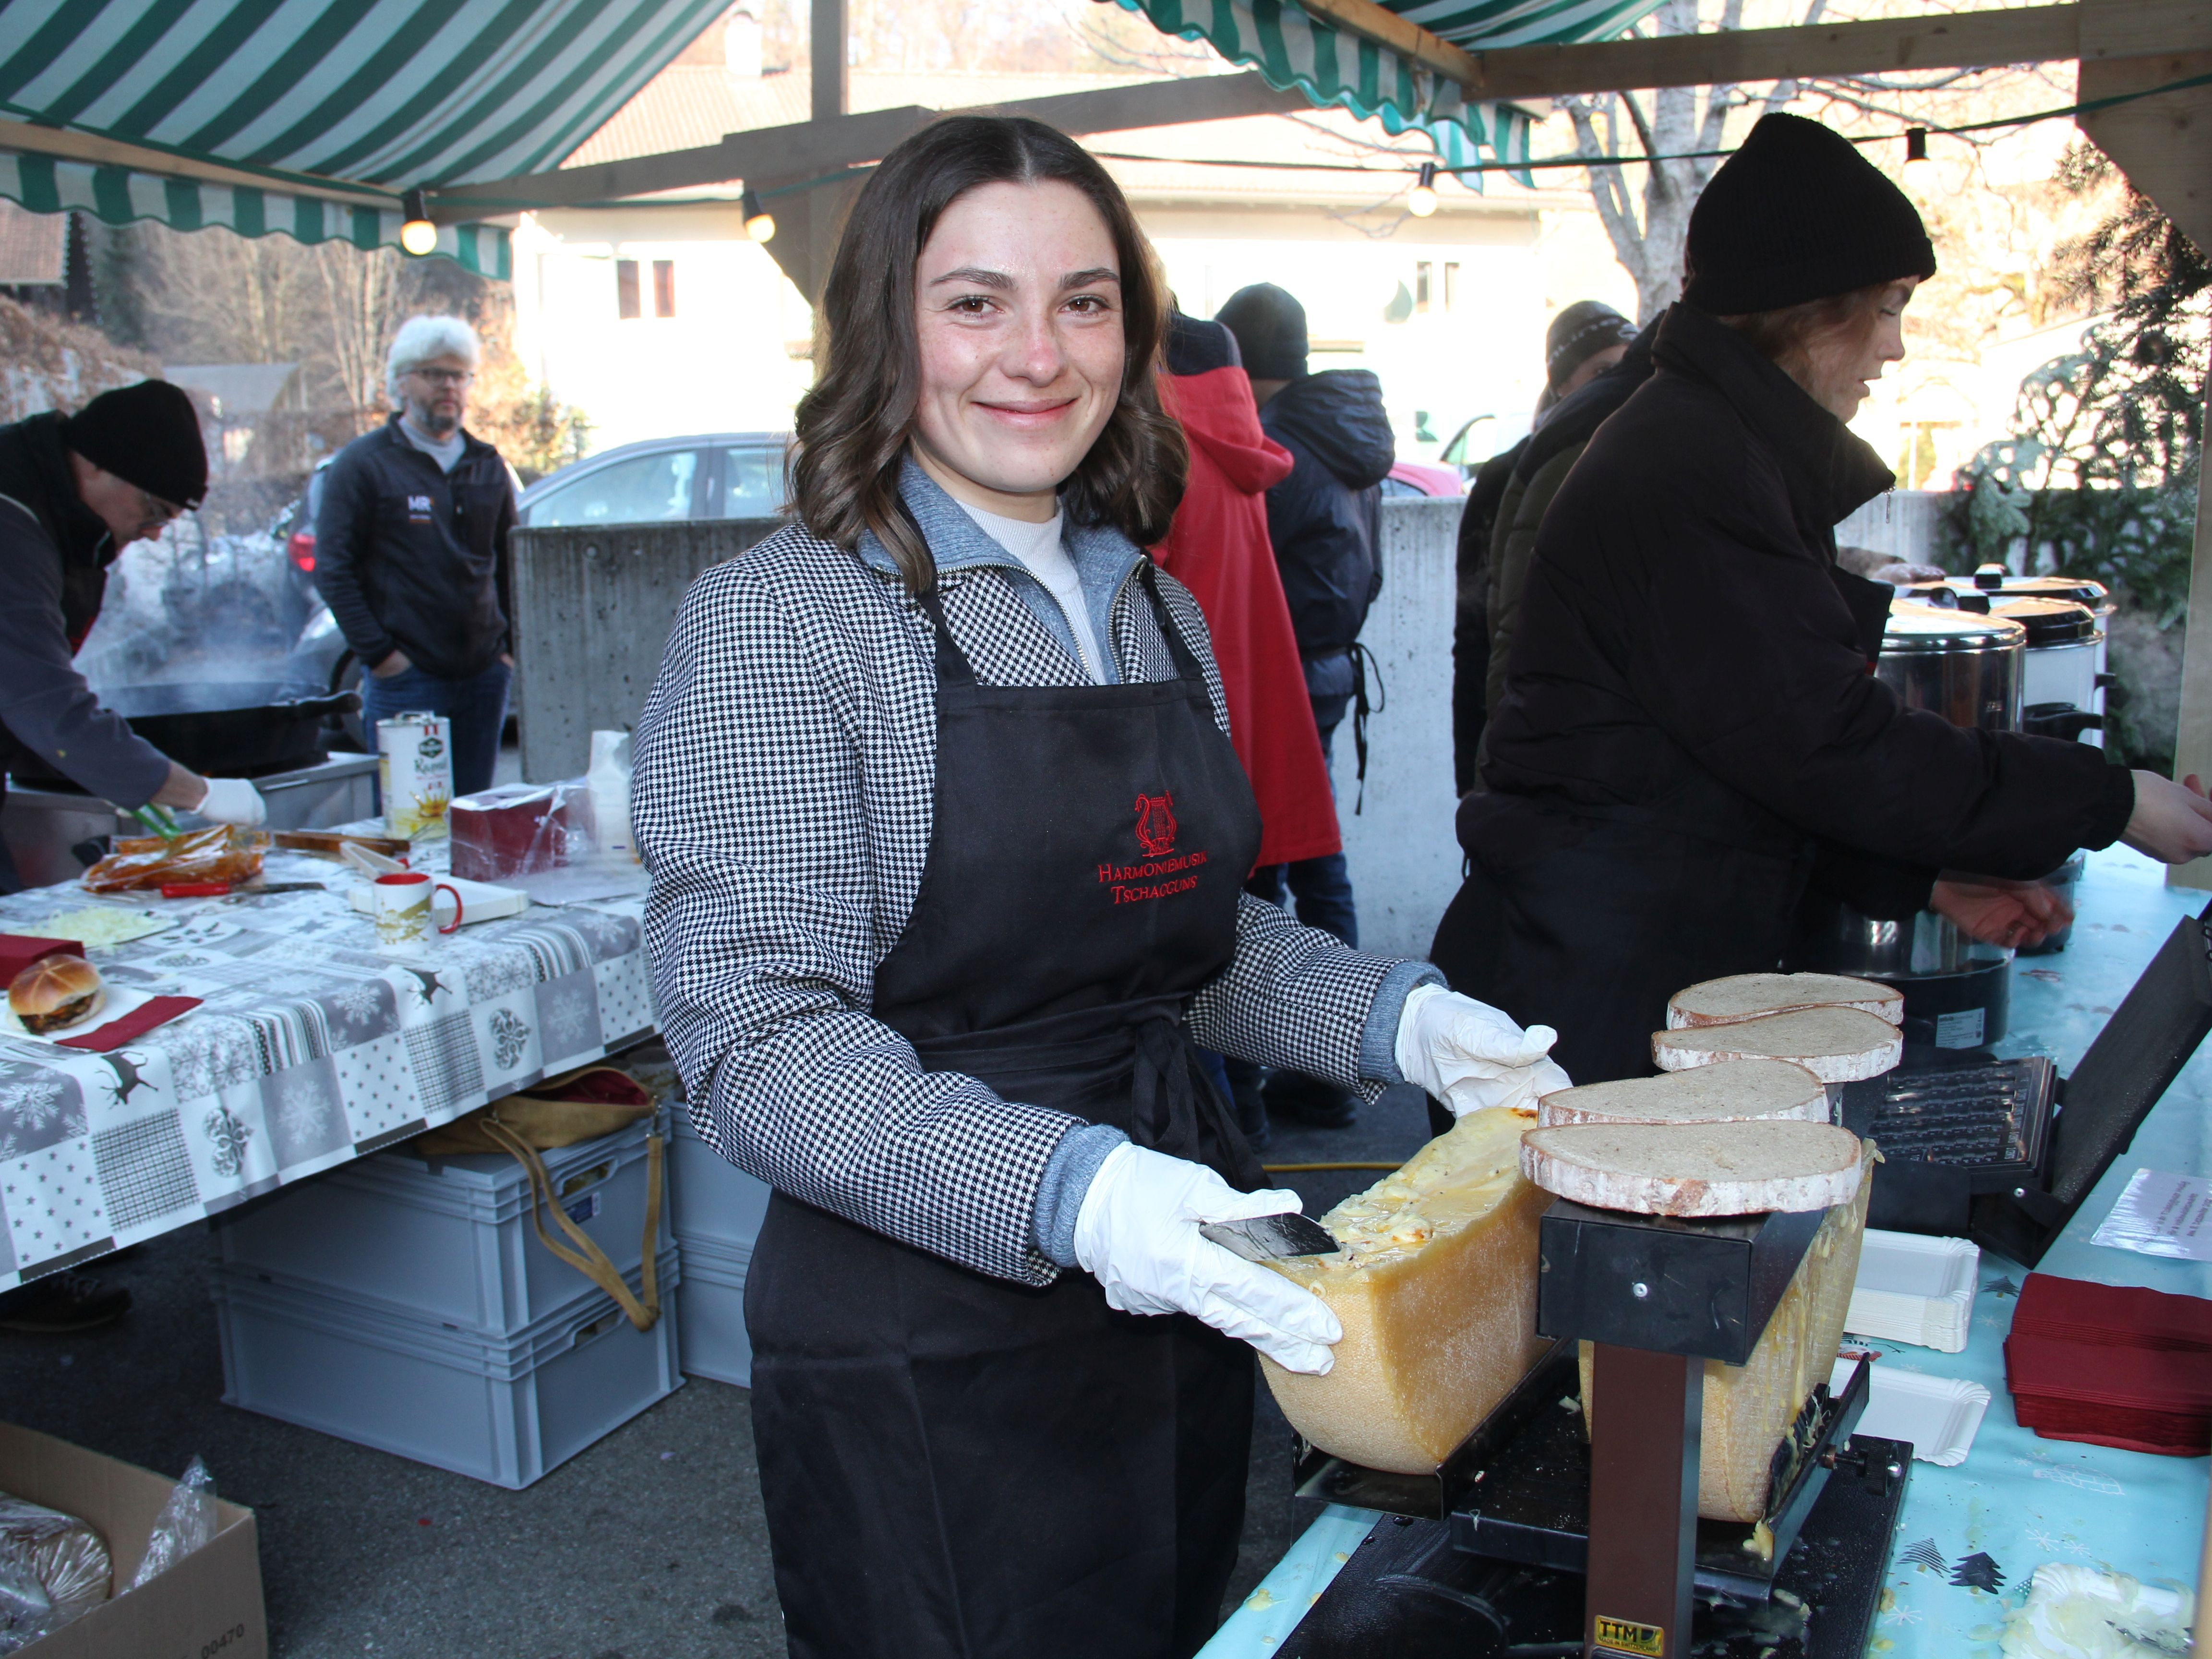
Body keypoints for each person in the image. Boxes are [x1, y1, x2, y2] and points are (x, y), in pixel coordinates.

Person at [633, 115, 1566, 1659]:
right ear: (887, 324)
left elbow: (1185, 953)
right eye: (976, 300)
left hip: (1178, 1269)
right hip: (930, 1332)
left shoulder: (1153, 609)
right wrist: (1080, 1193)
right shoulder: (782, 626)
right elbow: (757, 1047)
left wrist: (1407, 1025)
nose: (1038, 354)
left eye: (1084, 300)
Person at [1431, 112, 2212, 1086]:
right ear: (1802, 310)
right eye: (1885, 308)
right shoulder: (1689, 464)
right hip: (1586, 992)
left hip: (1618, 959)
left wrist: (1926, 882)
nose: (1893, 348)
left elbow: (1736, 767)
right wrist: (2112, 797)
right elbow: (1829, 744)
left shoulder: (1715, 444)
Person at [0, 378, 267, 1333]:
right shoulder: (9, 520)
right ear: (95, 466)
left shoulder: (69, 521)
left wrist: (116, 789)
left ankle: (40, 1243)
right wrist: (188, 792)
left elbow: (41, 702)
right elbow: (36, 693)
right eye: (150, 510)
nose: (152, 532)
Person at [1149, 310, 1339, 1147]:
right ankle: (1252, 1136)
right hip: (1249, 738)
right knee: (1247, 942)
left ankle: (1233, 1154)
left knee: (1189, 971)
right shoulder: (1237, 445)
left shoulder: (1149, 451)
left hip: (1181, 752)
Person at [1215, 281, 1395, 1127]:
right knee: (1318, 864)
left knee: (1261, 876)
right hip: (1334, 666)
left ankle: (1258, 1080)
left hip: (1279, 672)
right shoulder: (1350, 433)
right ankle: (1331, 1068)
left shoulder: (1276, 445)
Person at [314, 315, 518, 796]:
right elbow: (334, 568)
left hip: (484, 672)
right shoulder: (365, 464)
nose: (448, 386)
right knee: (411, 817)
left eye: (458, 375)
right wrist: (381, 655)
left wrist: (510, 650)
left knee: (474, 818)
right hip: (407, 677)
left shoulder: (487, 463)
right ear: (402, 382)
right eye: (433, 374)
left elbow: (512, 564)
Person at [1452, 301, 1641, 792]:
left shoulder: (1647, 460)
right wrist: (1471, 776)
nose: (1618, 383)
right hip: (1530, 727)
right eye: (1602, 370)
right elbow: (1475, 638)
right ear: (1562, 385)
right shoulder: (1507, 478)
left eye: (1628, 366)